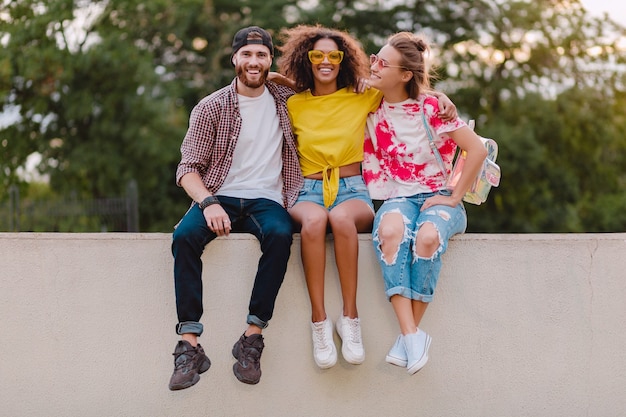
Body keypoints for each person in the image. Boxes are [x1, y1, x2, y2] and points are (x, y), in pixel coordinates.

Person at [275, 25, 457, 369]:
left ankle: (350, 318)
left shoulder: (363, 94)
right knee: (314, 224)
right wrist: (279, 78)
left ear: (344, 60)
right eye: (317, 55)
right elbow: (285, 86)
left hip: (352, 188)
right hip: (309, 189)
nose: (325, 61)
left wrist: (442, 97)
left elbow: (406, 86)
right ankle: (319, 322)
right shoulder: (294, 103)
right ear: (306, 59)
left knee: (342, 219)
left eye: (334, 55)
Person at [168, 26, 303, 389]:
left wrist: (273, 76)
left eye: (261, 55)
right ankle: (190, 343)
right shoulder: (211, 107)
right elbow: (187, 169)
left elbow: (316, 86)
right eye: (247, 55)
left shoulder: (286, 99)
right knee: (183, 238)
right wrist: (208, 202)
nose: (253, 61)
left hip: (269, 199)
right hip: (221, 195)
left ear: (270, 59)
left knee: (280, 234)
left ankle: (251, 337)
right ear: (234, 59)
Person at [362, 32, 488, 375]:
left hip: (438, 196)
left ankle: (408, 338)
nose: (374, 65)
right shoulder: (367, 102)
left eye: (382, 63)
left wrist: (454, 195)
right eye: (375, 58)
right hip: (396, 197)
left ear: (405, 75)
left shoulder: (432, 107)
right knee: (390, 233)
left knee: (428, 238)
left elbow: (476, 149)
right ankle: (412, 335)